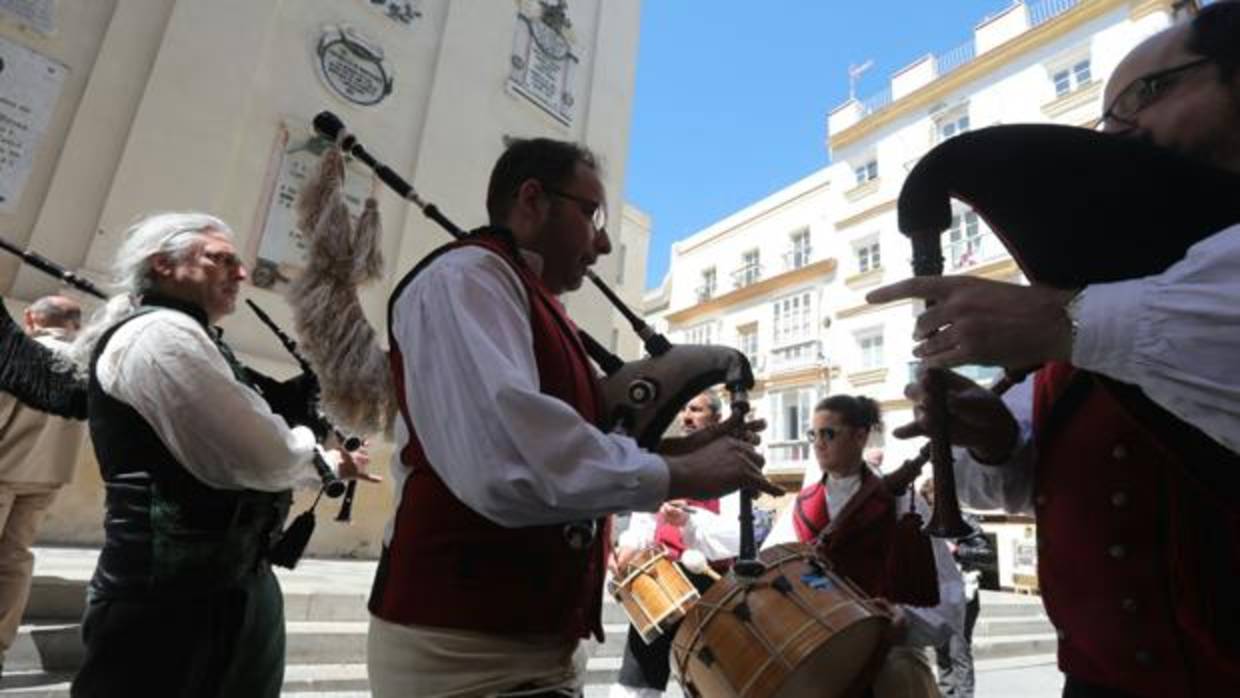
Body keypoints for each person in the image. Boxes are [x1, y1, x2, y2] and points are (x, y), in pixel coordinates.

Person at [867, 5, 1240, 696]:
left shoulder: (1076, 315)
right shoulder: (1071, 323)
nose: (1119, 136)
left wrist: (1064, 318)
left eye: (1148, 95)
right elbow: (1027, 487)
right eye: (1106, 120)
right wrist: (995, 439)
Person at [366, 137, 777, 697]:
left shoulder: (522, 293)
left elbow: (572, 441)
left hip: (524, 643)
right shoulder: (466, 279)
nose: (603, 242)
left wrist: (688, 452)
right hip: (464, 653)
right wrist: (684, 475)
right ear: (533, 200)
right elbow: (508, 461)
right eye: (591, 214)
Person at [65, 212, 374, 698]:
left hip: (232, 585)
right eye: (221, 259)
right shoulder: (159, 337)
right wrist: (324, 460)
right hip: (170, 602)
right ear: (163, 265)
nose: (242, 273)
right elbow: (256, 453)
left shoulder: (195, 337)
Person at [764, 394, 964, 698]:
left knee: (901, 673)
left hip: (886, 653)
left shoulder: (901, 502)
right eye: (813, 435)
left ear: (861, 436)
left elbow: (944, 584)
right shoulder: (801, 505)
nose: (818, 443)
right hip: (818, 654)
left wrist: (904, 619)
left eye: (829, 433)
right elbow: (771, 570)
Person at [609, 391, 741, 698]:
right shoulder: (663, 460)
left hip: (709, 585)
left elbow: (737, 536)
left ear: (716, 419)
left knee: (707, 682)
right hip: (659, 579)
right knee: (637, 679)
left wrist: (689, 523)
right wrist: (627, 547)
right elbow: (644, 520)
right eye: (683, 408)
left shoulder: (731, 466)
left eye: (696, 409)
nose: (687, 416)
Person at [0, 295, 85, 678]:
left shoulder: (24, 351)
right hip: (47, 475)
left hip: (4, 467)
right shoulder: (86, 366)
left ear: (33, 318)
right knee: (15, 560)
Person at [920, 478, 989, 698]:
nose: (933, 508)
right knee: (941, 647)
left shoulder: (966, 519)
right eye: (929, 503)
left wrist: (957, 550)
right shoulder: (927, 522)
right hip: (937, 592)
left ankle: (964, 695)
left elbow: (986, 553)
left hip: (964, 592)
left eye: (935, 502)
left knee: (958, 650)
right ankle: (946, 693)